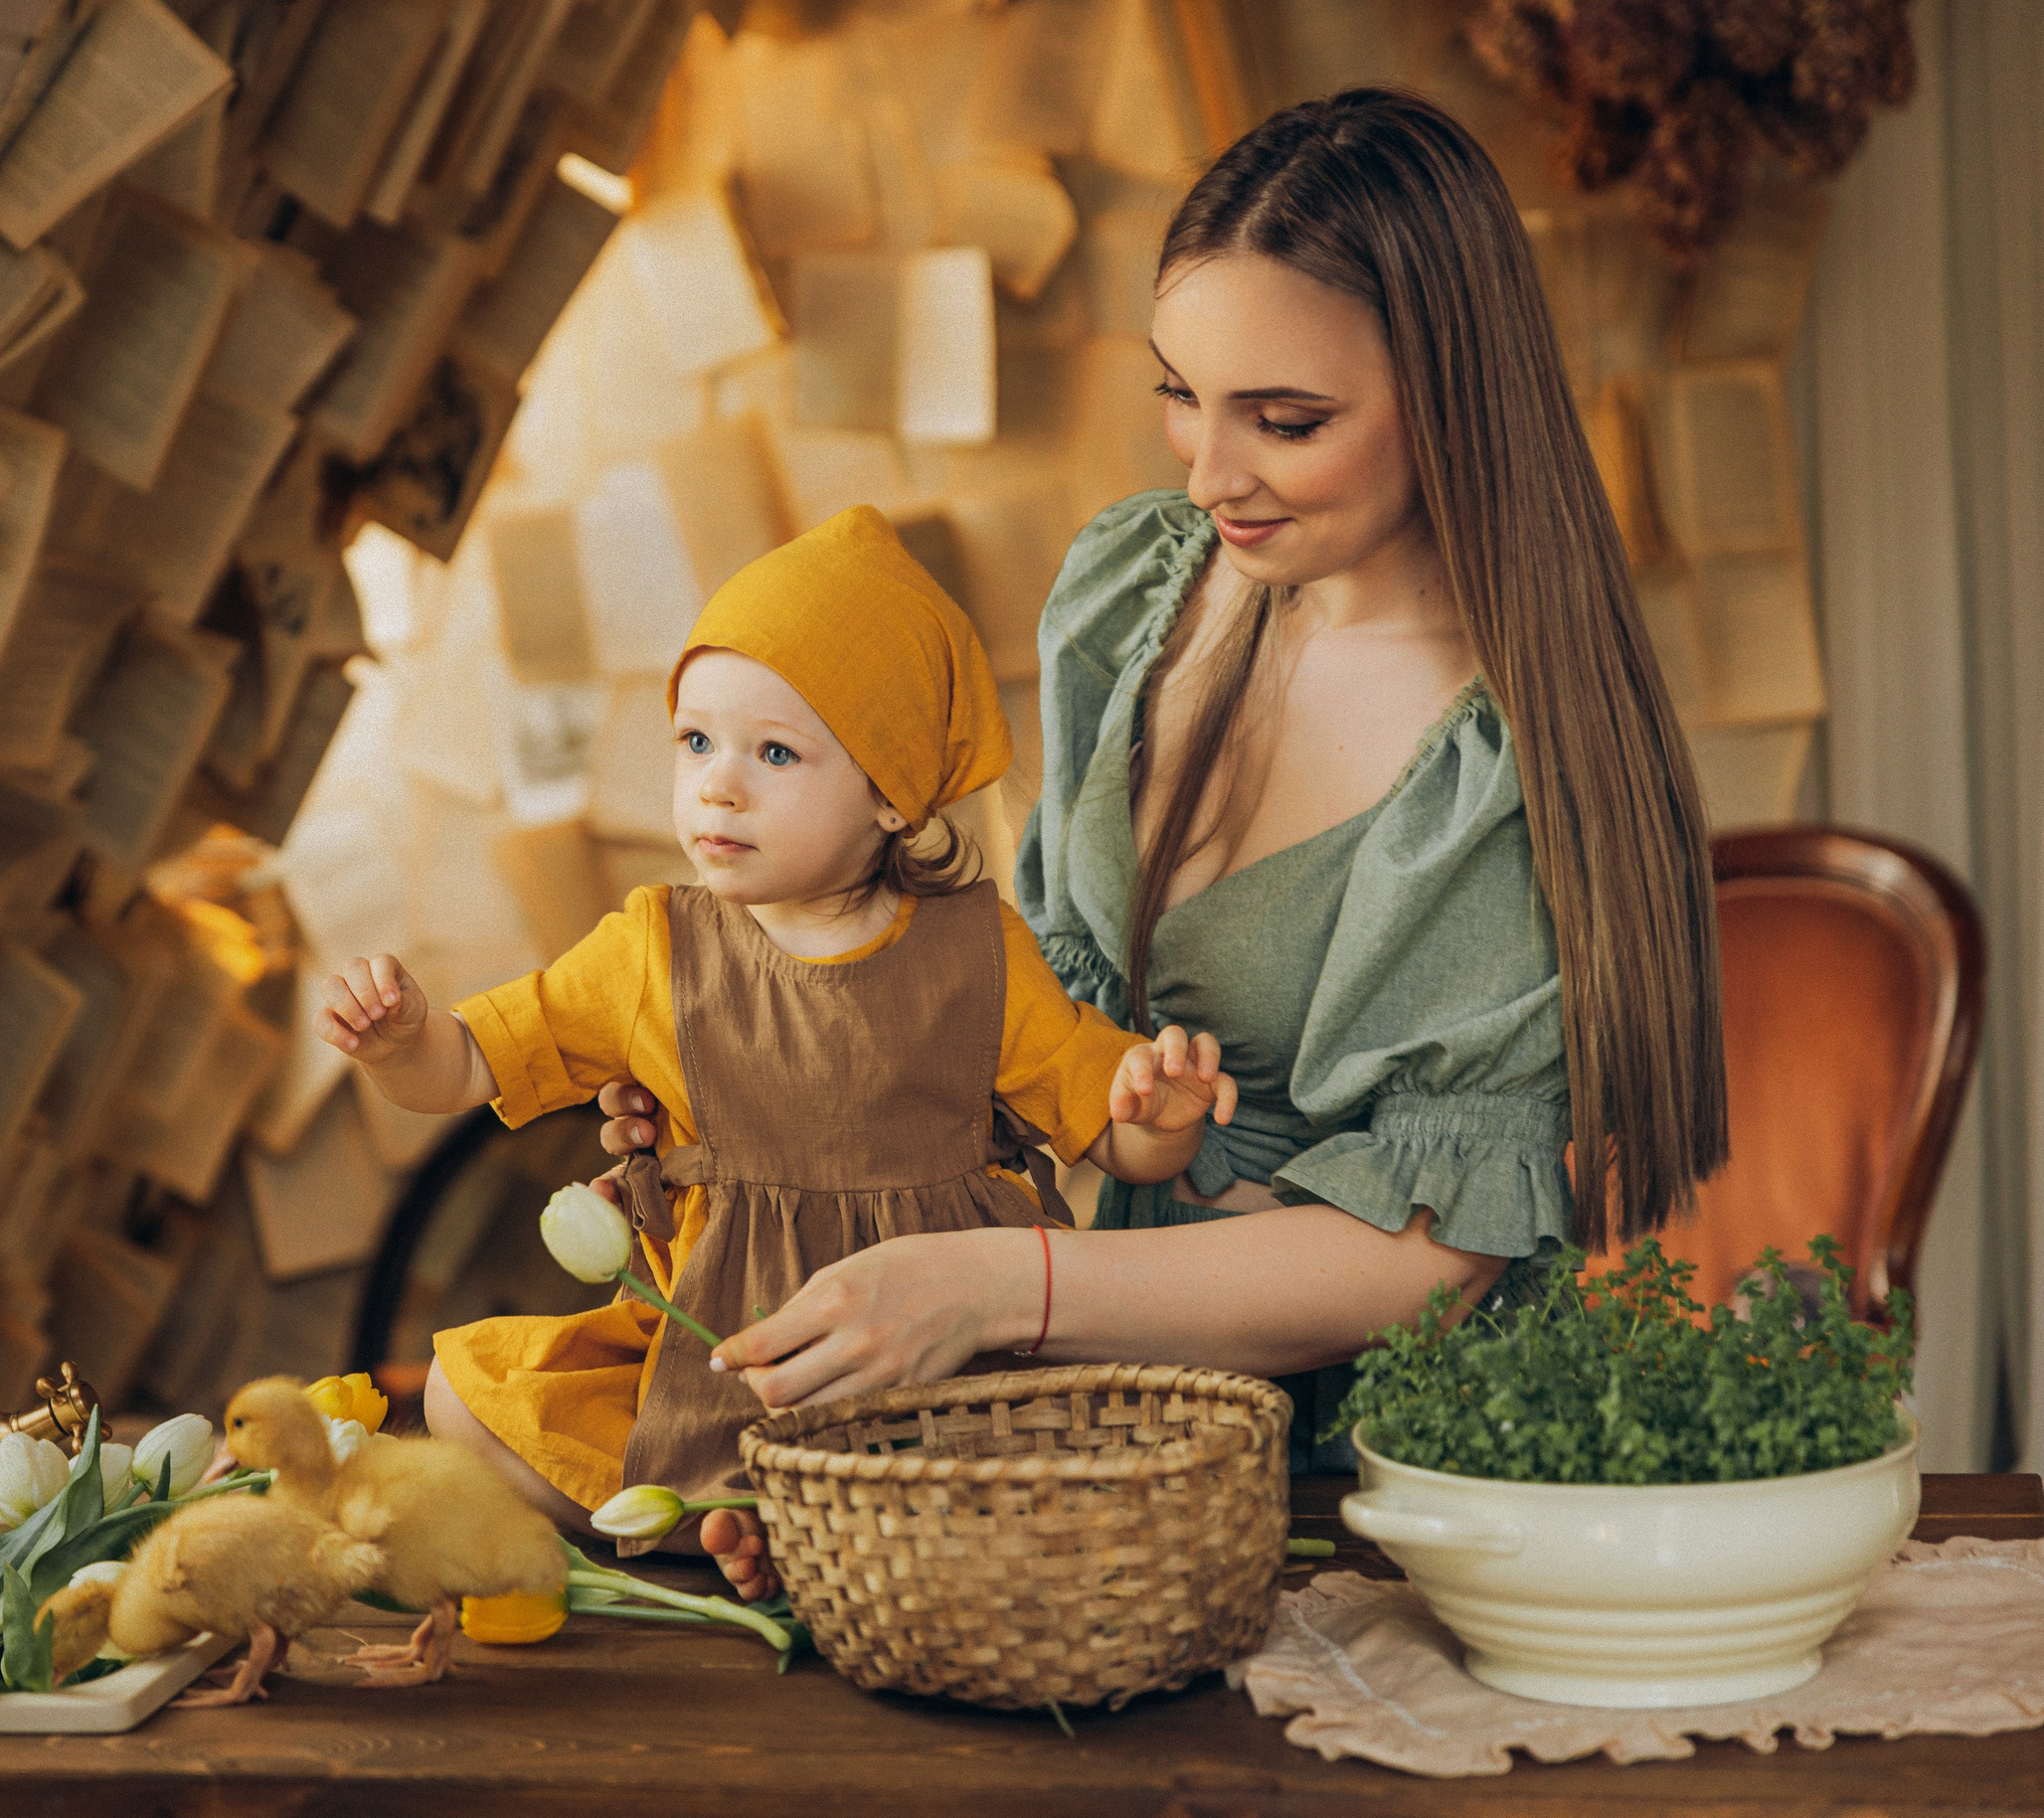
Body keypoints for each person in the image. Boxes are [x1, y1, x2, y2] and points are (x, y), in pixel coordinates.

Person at [587, 87, 1728, 1571]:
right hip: (1082, 1404)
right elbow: (1021, 1012)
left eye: (1289, 421)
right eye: (1182, 393)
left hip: (1379, 1480)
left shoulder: (1515, 760)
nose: (1208, 474)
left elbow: (1428, 1259)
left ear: (1453, 392)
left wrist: (1006, 1289)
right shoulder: (1139, 588)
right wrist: (760, 1083)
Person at [316, 505, 1236, 1594]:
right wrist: (405, 1041)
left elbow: (1108, 1130)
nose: (718, 782)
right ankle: (757, 1519)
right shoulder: (651, 946)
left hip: (936, 1361)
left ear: (891, 795)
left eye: (775, 752)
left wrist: (1155, 1111)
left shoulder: (974, 949)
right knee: (463, 1396)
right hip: (719, 1352)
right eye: (696, 739)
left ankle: (794, 1523)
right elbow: (468, 1067)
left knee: (1045, 1453)